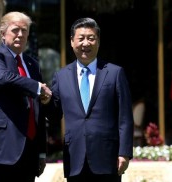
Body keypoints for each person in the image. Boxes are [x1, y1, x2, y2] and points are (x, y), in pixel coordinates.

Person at [41, 17, 134, 182]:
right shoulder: (61, 76)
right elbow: (55, 115)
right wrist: (46, 101)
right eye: (81, 38)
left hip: (107, 158)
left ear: (98, 41)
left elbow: (125, 118)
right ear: (71, 41)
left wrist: (124, 152)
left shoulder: (114, 73)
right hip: (75, 158)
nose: (86, 43)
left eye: (91, 38)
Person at [0, 11, 52, 182]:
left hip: (28, 154)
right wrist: (38, 87)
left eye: (25, 30)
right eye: (15, 30)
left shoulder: (32, 64)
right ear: (2, 32)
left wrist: (41, 151)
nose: (20, 34)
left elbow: (37, 111)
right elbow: (3, 78)